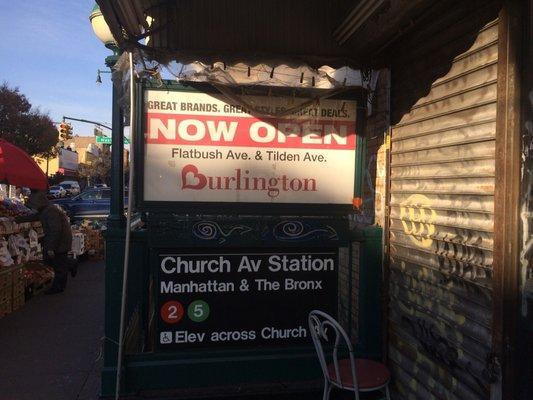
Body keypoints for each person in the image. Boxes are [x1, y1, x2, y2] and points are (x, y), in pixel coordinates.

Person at [16, 191, 74, 294]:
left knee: (58, 264)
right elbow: (35, 217)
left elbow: (55, 230)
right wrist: (18, 219)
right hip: (59, 240)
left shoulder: (51, 211)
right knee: (55, 262)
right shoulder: (45, 210)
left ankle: (58, 287)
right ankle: (70, 264)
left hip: (60, 240)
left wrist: (51, 247)